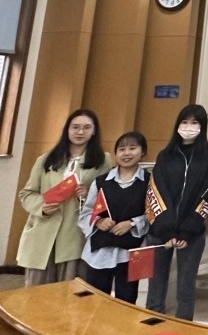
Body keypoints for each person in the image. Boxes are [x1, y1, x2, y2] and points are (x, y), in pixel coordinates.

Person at [17, 109, 111, 285]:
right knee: (36, 293)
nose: (80, 132)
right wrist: (42, 207)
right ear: (67, 129)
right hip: (42, 233)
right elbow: (26, 194)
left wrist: (88, 194)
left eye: (86, 127)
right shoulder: (46, 159)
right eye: (75, 127)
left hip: (75, 235)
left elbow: (108, 197)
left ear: (94, 131)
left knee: (69, 292)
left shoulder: (103, 161)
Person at [145, 104, 208, 320]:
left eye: (195, 122)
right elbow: (156, 190)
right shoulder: (165, 155)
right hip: (161, 233)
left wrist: (188, 229)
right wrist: (167, 230)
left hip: (192, 234)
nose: (189, 126)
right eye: (185, 122)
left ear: (202, 126)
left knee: (186, 290)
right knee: (155, 290)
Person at [79, 130, 149, 303]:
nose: (126, 153)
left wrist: (132, 223)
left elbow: (154, 214)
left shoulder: (151, 182)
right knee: (94, 301)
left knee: (127, 302)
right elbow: (86, 212)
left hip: (134, 253)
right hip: (100, 252)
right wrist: (98, 221)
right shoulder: (100, 182)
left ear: (143, 152)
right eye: (121, 149)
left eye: (132, 148)